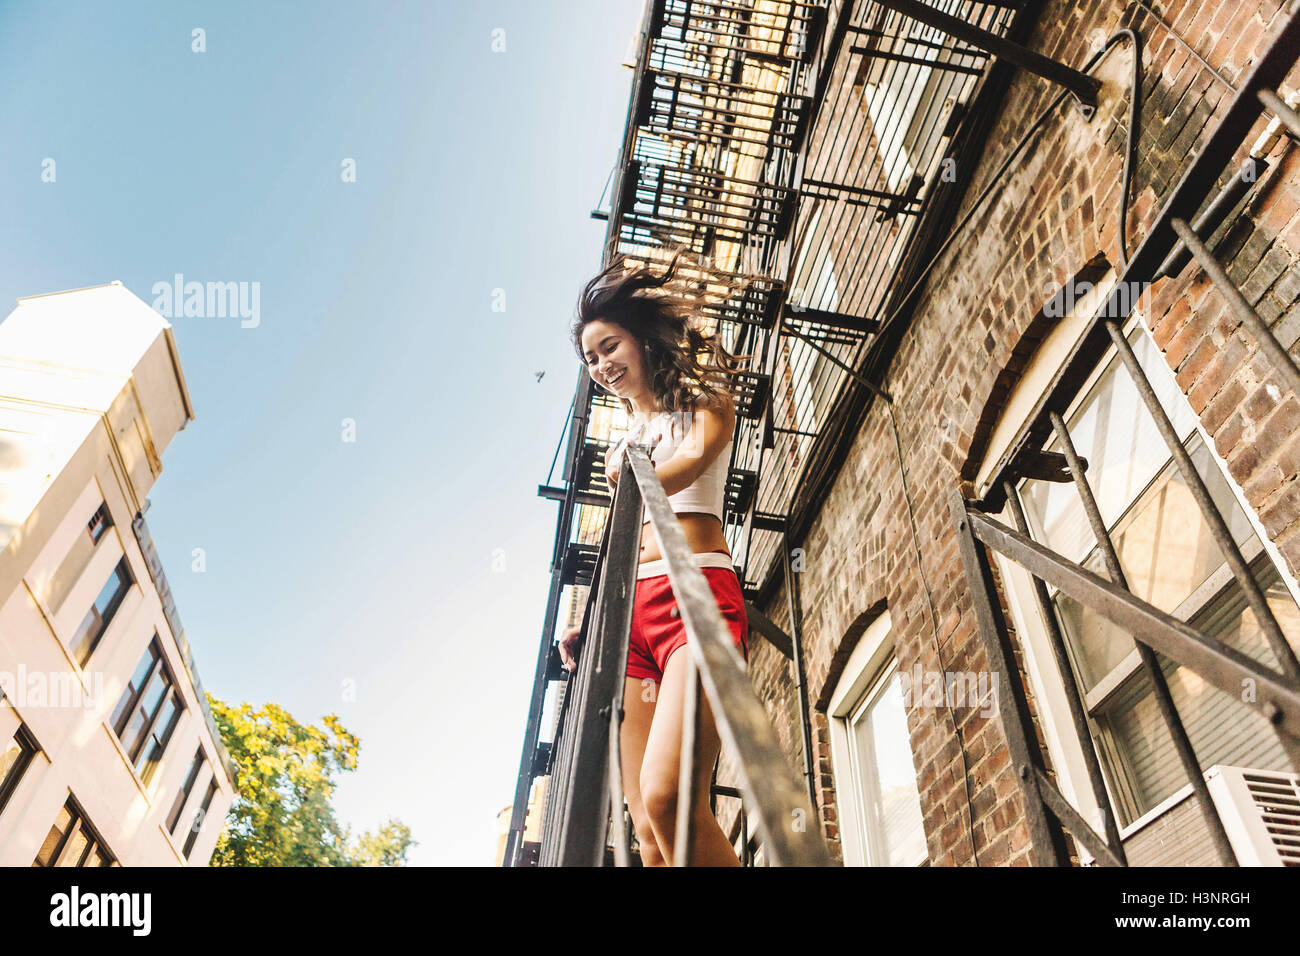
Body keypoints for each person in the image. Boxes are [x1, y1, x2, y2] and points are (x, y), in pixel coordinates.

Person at [559, 250, 752, 867]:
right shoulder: (621, 443)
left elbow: (691, 464)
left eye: (609, 347)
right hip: (630, 625)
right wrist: (587, 622)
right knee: (644, 828)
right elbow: (616, 547)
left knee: (671, 797)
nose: (602, 365)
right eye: (591, 359)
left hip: (695, 597)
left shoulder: (703, 402)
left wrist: (635, 473)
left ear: (641, 340)